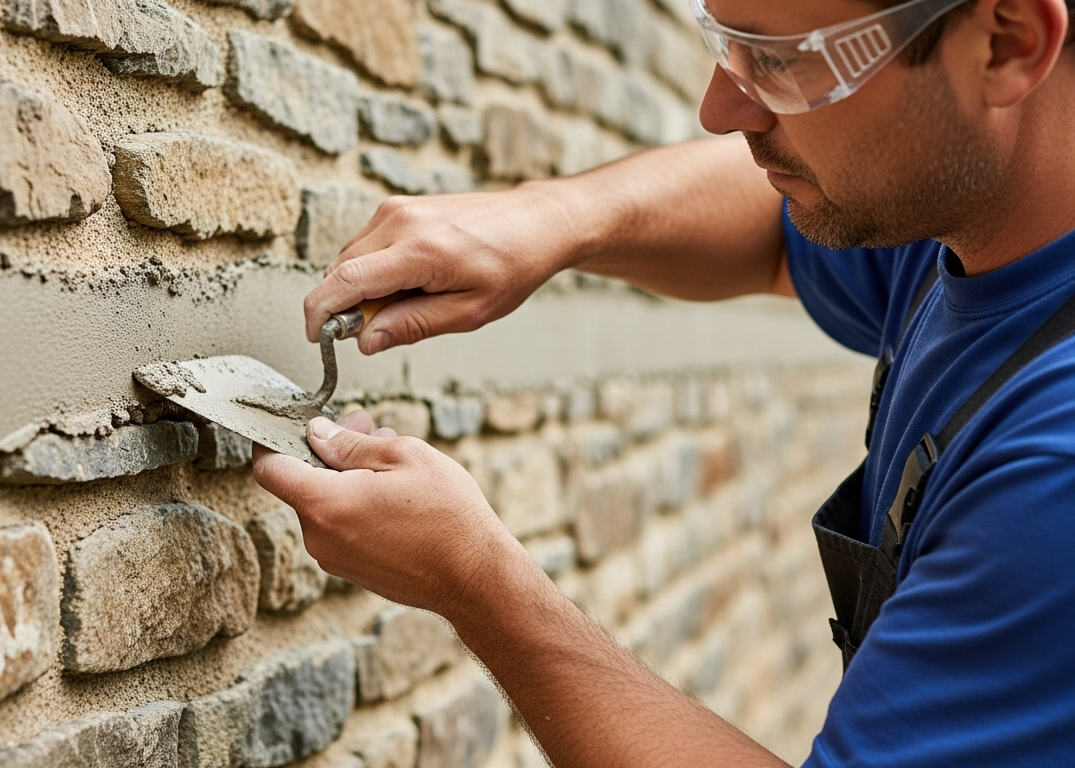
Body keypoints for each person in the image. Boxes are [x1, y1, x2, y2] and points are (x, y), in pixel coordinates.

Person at [253, 0, 1075, 764]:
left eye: (779, 60)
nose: (720, 110)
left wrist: (476, 583)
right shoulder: (974, 217)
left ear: (1008, 43)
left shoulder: (1053, 473)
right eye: (725, 41)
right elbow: (777, 226)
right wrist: (559, 217)